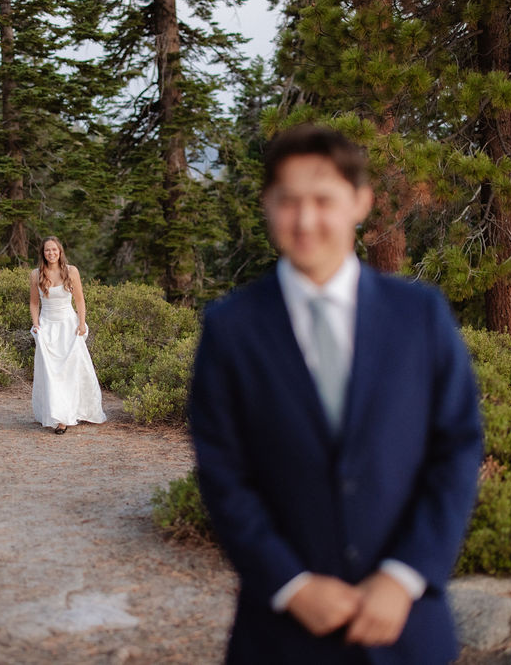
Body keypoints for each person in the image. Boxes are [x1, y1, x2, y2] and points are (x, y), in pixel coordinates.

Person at [188, 125, 484, 664]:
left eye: (323, 200)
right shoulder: (230, 328)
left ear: (360, 202)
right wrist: (292, 583)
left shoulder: (419, 316)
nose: (305, 220)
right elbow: (223, 473)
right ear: (267, 205)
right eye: (288, 202)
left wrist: (403, 576)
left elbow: (457, 447)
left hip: (405, 627)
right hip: (281, 634)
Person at [29, 236, 106, 434]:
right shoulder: (36, 274)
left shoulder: (71, 271)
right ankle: (55, 414)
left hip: (68, 326)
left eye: (54, 250)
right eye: (47, 250)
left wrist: (81, 323)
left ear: (60, 251)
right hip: (47, 327)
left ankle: (68, 414)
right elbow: (34, 303)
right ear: (43, 253)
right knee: (50, 373)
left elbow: (80, 300)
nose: (51, 253)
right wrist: (36, 324)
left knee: (70, 371)